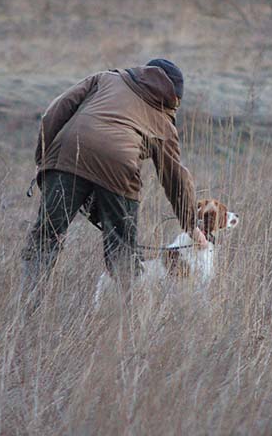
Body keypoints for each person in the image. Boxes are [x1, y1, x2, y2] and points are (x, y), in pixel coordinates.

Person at [20, 59, 207, 309]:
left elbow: (57, 109)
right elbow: (176, 178)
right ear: (175, 98)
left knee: (46, 237)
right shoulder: (163, 122)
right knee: (122, 252)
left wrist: (43, 158)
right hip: (119, 170)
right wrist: (191, 225)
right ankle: (125, 323)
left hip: (68, 153)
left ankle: (27, 312)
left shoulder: (106, 78)